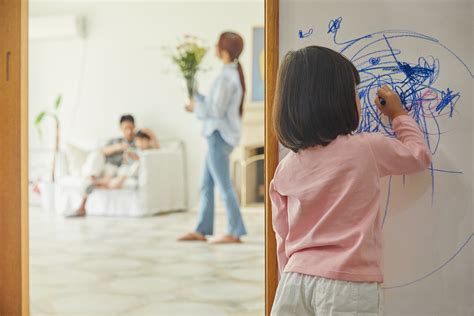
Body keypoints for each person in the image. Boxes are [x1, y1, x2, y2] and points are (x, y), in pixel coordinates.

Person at [269, 46, 431, 315]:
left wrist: (291, 274)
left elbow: (282, 237)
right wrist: (398, 115)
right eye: (354, 93)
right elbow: (418, 156)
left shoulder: (285, 167)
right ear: (337, 101)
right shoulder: (366, 148)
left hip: (294, 281)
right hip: (347, 285)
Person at [178, 32, 247, 244]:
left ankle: (235, 231)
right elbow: (215, 104)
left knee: (224, 184)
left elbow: (216, 111)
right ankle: (202, 229)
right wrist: (197, 96)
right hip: (216, 136)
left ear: (223, 50)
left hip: (218, 136)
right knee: (206, 185)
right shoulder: (229, 75)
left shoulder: (227, 77)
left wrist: (195, 106)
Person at [69, 115, 159, 217]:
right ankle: (91, 178)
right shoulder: (115, 141)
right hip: (107, 166)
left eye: (131, 128)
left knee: (108, 177)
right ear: (121, 128)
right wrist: (119, 147)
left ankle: (90, 188)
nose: (129, 131)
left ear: (134, 127)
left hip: (120, 168)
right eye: (126, 128)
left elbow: (154, 149)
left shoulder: (138, 141)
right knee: (96, 155)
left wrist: (151, 134)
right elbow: (103, 151)